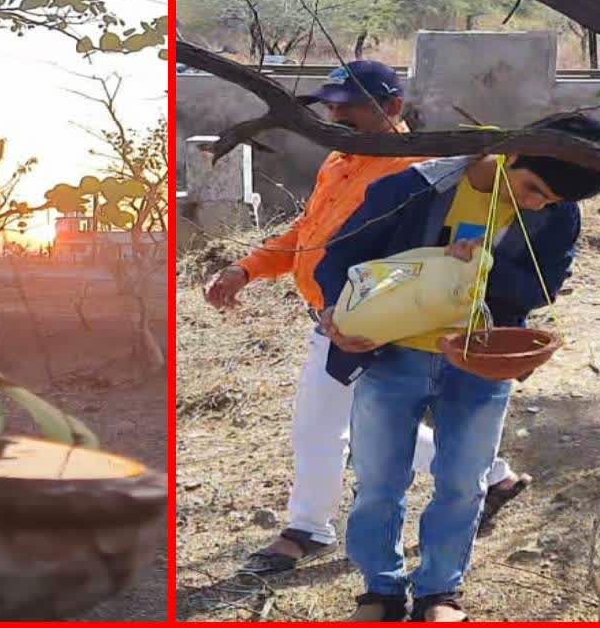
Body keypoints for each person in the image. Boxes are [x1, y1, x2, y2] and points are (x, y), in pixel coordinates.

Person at [204, 61, 531, 578]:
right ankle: (493, 477)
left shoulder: (421, 170)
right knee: (355, 424)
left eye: (349, 107)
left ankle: (309, 529)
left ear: (393, 108)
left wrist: (374, 317)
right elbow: (309, 233)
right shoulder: (339, 160)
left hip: (377, 324)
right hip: (333, 317)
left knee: (326, 426)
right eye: (331, 106)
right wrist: (248, 268)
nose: (335, 116)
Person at [312, 112, 600, 621]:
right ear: (512, 153)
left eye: (550, 201)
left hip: (480, 359)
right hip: (392, 353)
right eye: (533, 188)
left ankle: (439, 593)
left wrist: (482, 267)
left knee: (463, 481)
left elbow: (543, 287)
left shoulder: (555, 215)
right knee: (378, 480)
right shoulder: (420, 186)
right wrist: (333, 310)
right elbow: (341, 255)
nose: (537, 203)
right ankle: (380, 592)